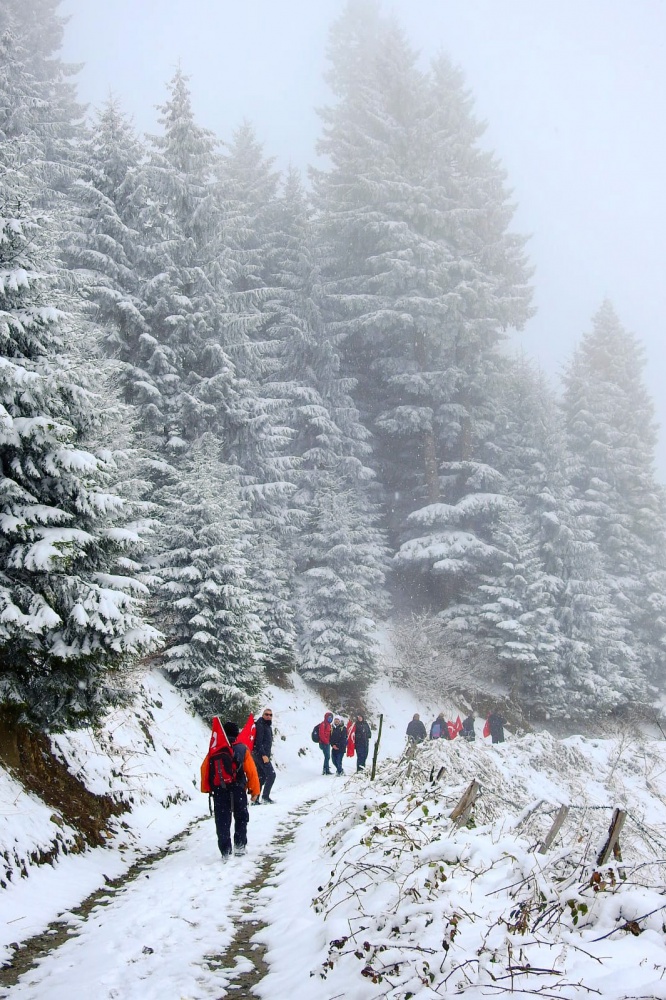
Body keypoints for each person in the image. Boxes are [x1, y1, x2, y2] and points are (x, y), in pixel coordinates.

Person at [212, 721, 260, 860]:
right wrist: (254, 791)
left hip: (220, 790)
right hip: (238, 788)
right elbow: (251, 771)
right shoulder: (242, 748)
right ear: (237, 734)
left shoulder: (215, 748)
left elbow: (206, 770)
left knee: (222, 820)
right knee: (241, 817)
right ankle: (239, 845)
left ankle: (225, 851)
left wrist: (209, 789)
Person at [252, 707, 277, 802]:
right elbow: (259, 742)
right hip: (260, 754)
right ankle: (265, 797)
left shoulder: (267, 726)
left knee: (261, 777)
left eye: (270, 715)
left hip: (261, 754)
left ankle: (255, 799)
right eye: (266, 714)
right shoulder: (260, 725)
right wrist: (263, 755)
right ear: (263, 715)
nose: (268, 716)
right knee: (271, 775)